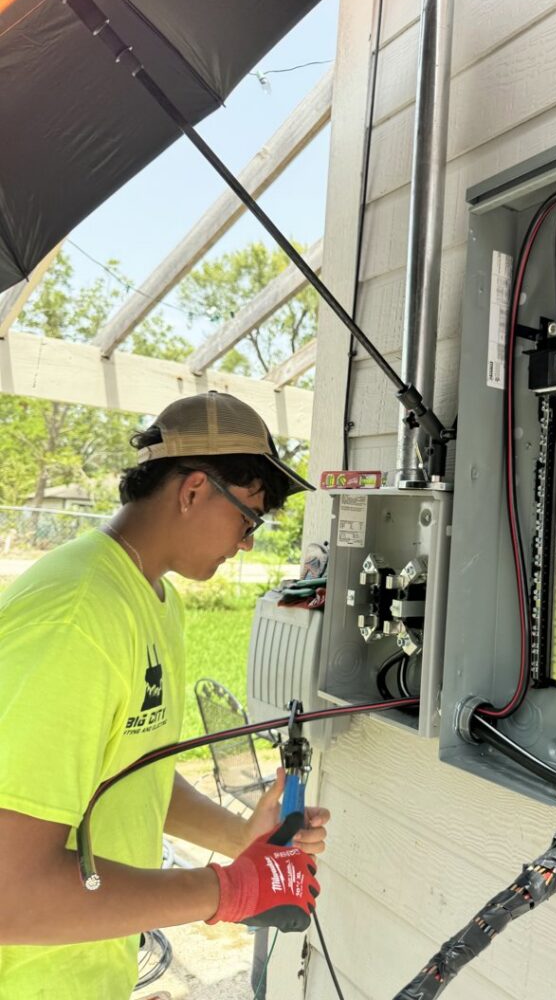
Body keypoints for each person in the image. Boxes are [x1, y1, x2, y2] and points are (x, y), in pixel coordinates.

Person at [0, 391, 329, 999]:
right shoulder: (80, 616)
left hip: (82, 970)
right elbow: (9, 892)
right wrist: (231, 891)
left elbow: (127, 770)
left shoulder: (154, 599)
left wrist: (244, 844)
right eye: (248, 518)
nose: (249, 542)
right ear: (194, 490)